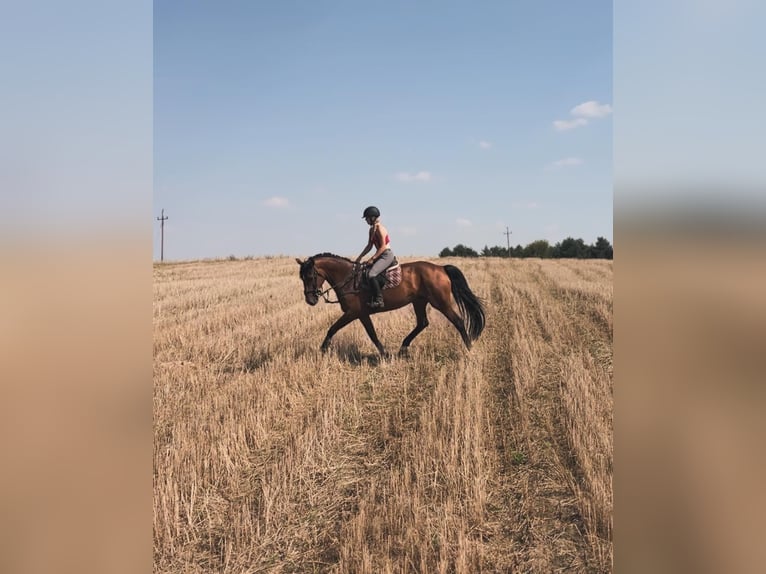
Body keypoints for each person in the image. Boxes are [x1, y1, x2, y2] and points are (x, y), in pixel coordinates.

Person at [355, 206, 395, 309]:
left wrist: (372, 258)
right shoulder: (371, 230)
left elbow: (383, 247)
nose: (366, 221)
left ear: (372, 217)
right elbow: (369, 246)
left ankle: (379, 300)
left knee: (372, 274)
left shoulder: (380, 229)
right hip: (380, 255)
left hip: (386, 254)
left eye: (367, 218)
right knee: (365, 271)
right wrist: (360, 257)